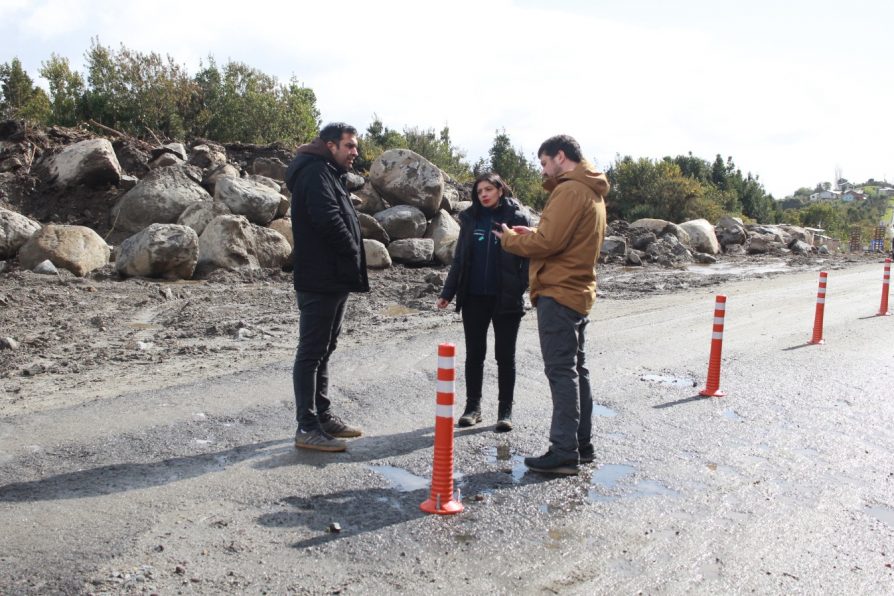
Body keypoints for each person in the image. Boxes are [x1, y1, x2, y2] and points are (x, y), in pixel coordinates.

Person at [496, 134, 608, 475]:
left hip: (559, 292)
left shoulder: (570, 190)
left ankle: (563, 452)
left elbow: (549, 242)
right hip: (578, 289)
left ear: (561, 156)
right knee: (577, 371)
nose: (543, 170)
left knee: (562, 372)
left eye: (544, 163)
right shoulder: (591, 190)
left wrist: (512, 241)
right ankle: (581, 445)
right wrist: (532, 235)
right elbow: (563, 239)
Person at [285, 122, 368, 452]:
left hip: (334, 277)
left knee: (325, 348)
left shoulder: (329, 173)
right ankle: (306, 427)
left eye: (355, 146)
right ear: (330, 145)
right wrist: (351, 248)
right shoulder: (315, 172)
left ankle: (323, 415)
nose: (355, 152)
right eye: (349, 145)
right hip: (319, 278)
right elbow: (327, 218)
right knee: (311, 352)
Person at [437, 173, 531, 432]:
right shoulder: (470, 219)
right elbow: (460, 260)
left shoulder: (518, 218)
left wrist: (519, 286)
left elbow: (529, 258)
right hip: (474, 297)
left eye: (489, 189)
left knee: (505, 356)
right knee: (475, 355)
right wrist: (448, 292)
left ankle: (505, 411)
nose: (484, 195)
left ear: (500, 189)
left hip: (506, 298)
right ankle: (473, 408)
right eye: (479, 191)